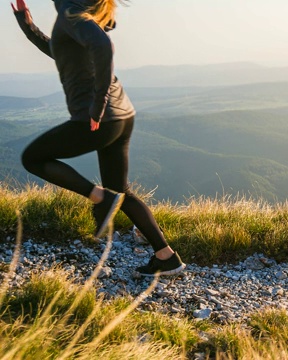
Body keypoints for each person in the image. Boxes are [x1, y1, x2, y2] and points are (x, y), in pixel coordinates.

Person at [11, 0, 185, 277]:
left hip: (98, 119)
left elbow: (103, 46)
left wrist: (97, 104)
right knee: (121, 191)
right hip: (122, 115)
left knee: (32, 158)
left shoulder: (70, 11)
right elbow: (60, 53)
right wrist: (27, 25)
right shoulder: (75, 12)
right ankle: (167, 257)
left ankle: (98, 197)